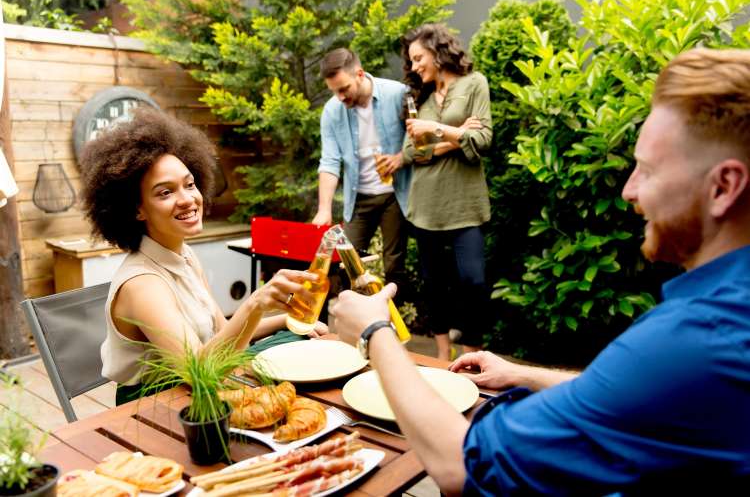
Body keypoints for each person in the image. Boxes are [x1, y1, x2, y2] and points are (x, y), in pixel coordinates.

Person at [331, 47, 750, 494]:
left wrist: (374, 331)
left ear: (722, 187)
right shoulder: (720, 320)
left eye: (647, 170)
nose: (629, 190)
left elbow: (462, 464)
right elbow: (640, 391)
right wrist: (525, 374)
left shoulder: (699, 337)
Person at [80, 108, 327, 405]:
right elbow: (199, 371)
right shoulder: (142, 284)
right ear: (136, 209)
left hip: (202, 380)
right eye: (165, 193)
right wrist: (254, 303)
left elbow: (222, 334)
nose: (187, 199)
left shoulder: (183, 255)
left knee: (302, 339)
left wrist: (285, 320)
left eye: (189, 184)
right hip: (156, 404)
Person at [400, 24, 491, 360]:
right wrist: (455, 136)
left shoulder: (474, 84)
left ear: (438, 52)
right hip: (425, 206)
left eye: (419, 58)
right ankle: (441, 356)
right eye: (411, 61)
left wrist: (435, 130)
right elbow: (412, 152)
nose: (414, 67)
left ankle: (472, 357)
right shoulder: (418, 97)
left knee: (473, 282)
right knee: (434, 284)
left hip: (465, 205)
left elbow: (483, 141)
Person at [312, 48, 411, 293]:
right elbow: (330, 161)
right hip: (359, 198)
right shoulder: (332, 110)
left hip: (395, 194)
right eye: (334, 91)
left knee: (394, 264)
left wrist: (400, 157)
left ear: (359, 74)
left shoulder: (397, 94)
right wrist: (324, 209)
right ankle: (360, 323)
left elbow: (417, 137)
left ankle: (388, 327)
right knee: (347, 263)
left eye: (344, 88)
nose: (340, 96)